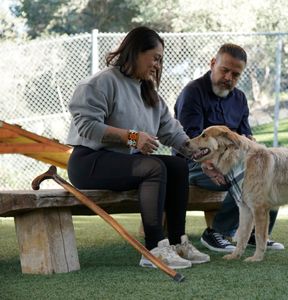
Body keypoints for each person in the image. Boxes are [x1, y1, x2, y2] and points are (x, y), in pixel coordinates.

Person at [66, 26, 209, 269]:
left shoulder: (149, 91)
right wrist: (132, 138)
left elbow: (171, 131)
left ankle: (177, 242)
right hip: (89, 162)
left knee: (176, 166)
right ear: (135, 52)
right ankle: (153, 248)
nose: (157, 64)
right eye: (155, 58)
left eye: (160, 60)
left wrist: (201, 156)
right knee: (153, 167)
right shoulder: (101, 82)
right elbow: (87, 127)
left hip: (124, 164)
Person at [174, 43, 284, 252]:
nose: (229, 78)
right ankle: (216, 233)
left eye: (235, 74)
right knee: (244, 180)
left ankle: (255, 234)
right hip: (194, 164)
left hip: (232, 163)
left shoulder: (240, 98)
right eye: (225, 70)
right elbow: (188, 140)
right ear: (213, 63)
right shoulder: (193, 93)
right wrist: (208, 162)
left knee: (269, 174)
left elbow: (247, 137)